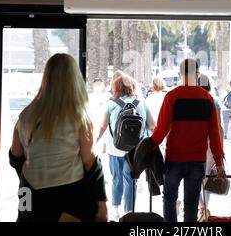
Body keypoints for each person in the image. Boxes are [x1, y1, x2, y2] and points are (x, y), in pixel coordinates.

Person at [9, 53, 107, 222]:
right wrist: (102, 204)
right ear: (75, 80)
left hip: (28, 198)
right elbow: (90, 161)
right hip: (66, 198)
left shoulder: (25, 115)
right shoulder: (79, 117)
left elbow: (15, 157)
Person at [151, 59, 225, 222]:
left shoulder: (172, 97)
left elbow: (161, 130)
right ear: (197, 75)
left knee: (170, 199)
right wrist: (219, 163)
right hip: (197, 161)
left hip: (174, 159)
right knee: (191, 204)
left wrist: (148, 148)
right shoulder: (207, 99)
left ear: (179, 74)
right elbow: (214, 135)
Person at [97, 72, 156, 222]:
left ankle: (116, 209)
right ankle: (129, 210)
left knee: (117, 179)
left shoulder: (111, 104)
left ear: (116, 87)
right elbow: (152, 125)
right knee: (131, 180)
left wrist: (95, 140)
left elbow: (103, 126)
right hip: (136, 151)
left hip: (114, 149)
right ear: (132, 86)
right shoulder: (141, 103)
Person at [197, 74, 224, 221]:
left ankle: (201, 208)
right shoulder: (214, 101)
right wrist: (220, 149)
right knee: (207, 176)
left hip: (196, 141)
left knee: (196, 176)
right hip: (210, 143)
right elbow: (218, 126)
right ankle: (204, 208)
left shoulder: (193, 101)